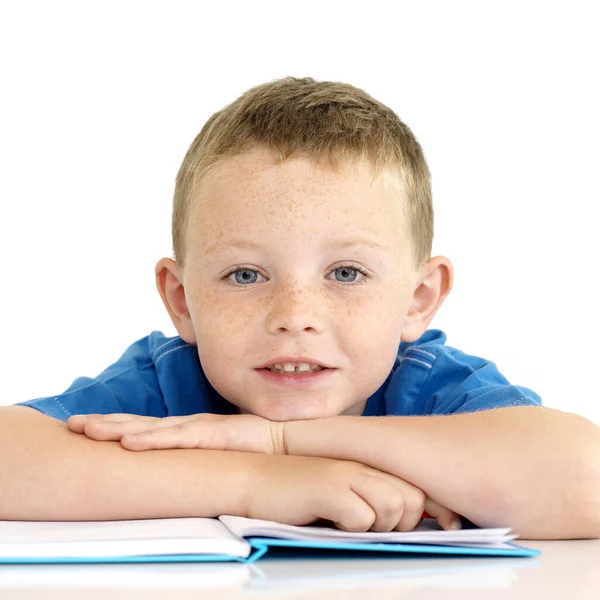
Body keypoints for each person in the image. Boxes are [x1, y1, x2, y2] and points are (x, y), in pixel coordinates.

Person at [3, 77, 599, 539]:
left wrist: (278, 442)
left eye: (345, 273)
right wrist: (257, 482)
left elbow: (586, 479)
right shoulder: (169, 383)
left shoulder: (431, 388)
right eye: (244, 274)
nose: (295, 315)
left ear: (418, 300)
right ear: (183, 302)